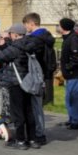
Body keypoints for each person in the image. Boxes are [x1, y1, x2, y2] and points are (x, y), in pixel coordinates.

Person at [0, 23, 43, 149]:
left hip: (16, 83)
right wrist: (5, 45)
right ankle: (33, 140)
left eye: (10, 33)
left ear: (15, 34)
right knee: (29, 111)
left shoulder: (16, 47)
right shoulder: (30, 44)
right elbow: (15, 58)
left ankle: (20, 141)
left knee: (18, 113)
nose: (9, 35)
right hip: (29, 82)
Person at [23, 12, 57, 144]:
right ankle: (38, 133)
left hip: (36, 74)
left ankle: (39, 134)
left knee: (35, 106)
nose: (26, 27)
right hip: (43, 74)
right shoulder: (46, 36)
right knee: (37, 106)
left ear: (32, 23)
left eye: (26, 24)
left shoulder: (36, 39)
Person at [58, 18, 78, 130]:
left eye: (58, 25)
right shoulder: (67, 38)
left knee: (76, 98)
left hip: (75, 74)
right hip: (69, 75)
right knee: (69, 98)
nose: (57, 27)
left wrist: (68, 68)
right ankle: (72, 119)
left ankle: (77, 121)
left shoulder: (74, 39)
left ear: (64, 27)